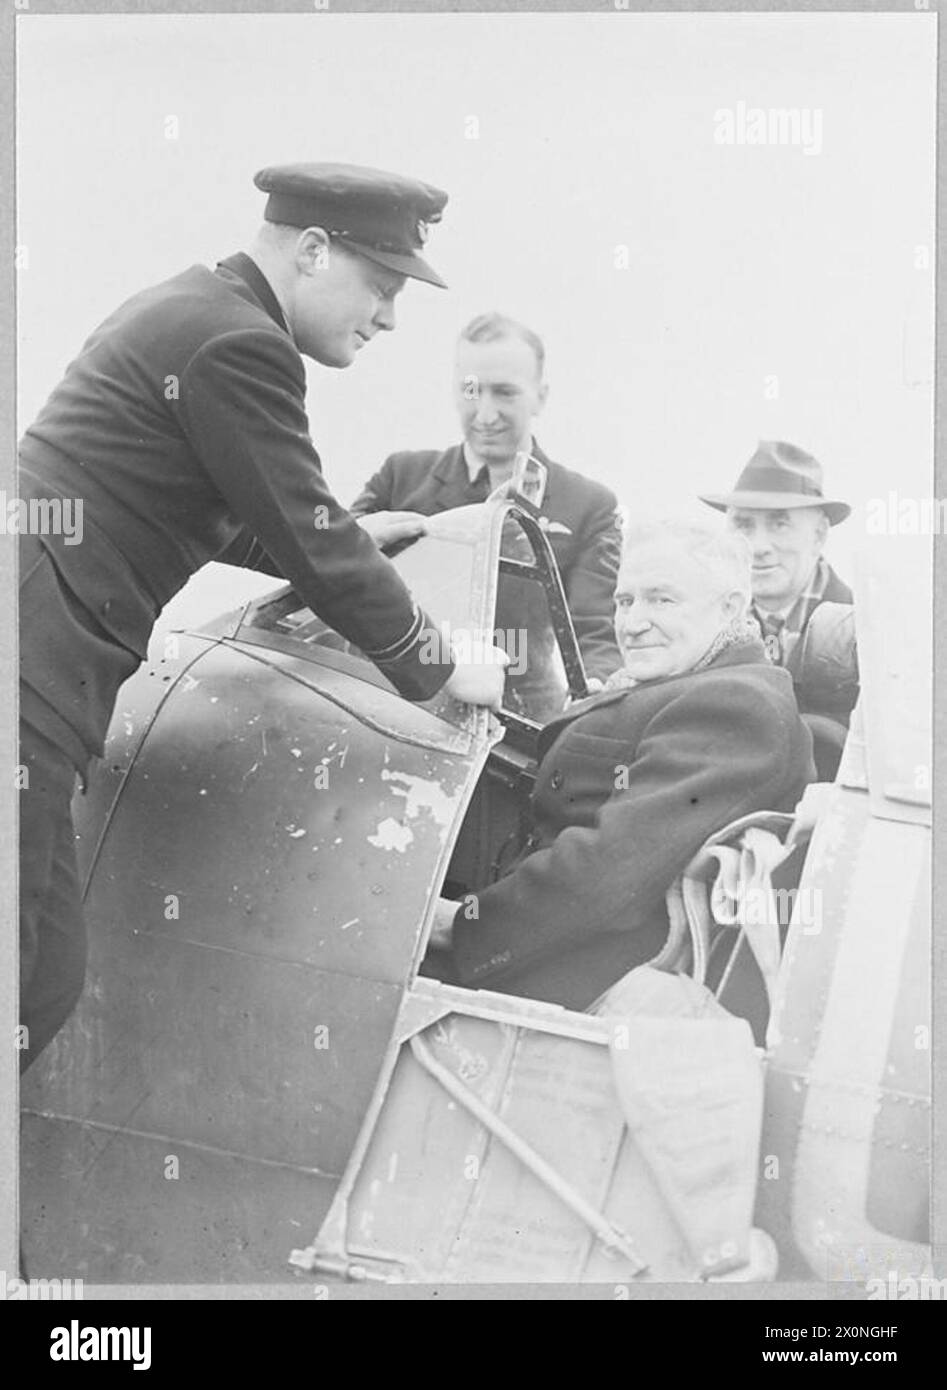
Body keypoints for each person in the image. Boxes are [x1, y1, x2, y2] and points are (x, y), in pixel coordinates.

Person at [18, 162, 507, 1073]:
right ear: (314, 250)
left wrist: (347, 532)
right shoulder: (239, 344)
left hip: (38, 681)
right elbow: (307, 537)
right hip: (26, 682)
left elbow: (217, 508)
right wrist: (441, 664)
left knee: (39, 979)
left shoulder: (190, 309)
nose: (391, 317)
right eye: (383, 285)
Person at [426, 520, 815, 1011]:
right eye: (624, 601)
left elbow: (610, 872)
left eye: (662, 600)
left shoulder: (737, 704)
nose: (632, 623)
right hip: (542, 943)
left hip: (574, 983)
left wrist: (459, 928)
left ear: (731, 608)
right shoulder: (685, 678)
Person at [350, 312, 624, 684]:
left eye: (505, 392)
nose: (486, 413)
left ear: (540, 398)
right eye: (471, 390)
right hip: (406, 695)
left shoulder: (590, 507)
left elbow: (594, 633)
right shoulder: (400, 479)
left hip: (527, 715)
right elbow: (335, 571)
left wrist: (594, 688)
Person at [698, 440, 857, 730]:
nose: (758, 547)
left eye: (779, 524)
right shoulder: (702, 624)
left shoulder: (862, 629)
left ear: (819, 535)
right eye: (744, 524)